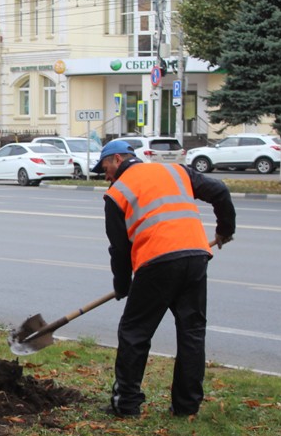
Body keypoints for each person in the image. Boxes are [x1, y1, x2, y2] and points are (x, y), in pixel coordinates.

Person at [93, 139, 236, 419]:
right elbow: (220, 191)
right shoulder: (176, 171)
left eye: (105, 166)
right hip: (196, 256)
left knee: (135, 332)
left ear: (119, 160)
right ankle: (186, 406)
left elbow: (119, 248)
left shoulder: (117, 192)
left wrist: (122, 285)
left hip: (157, 261)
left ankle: (127, 404)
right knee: (192, 331)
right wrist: (225, 229)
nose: (105, 174)